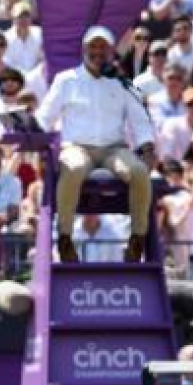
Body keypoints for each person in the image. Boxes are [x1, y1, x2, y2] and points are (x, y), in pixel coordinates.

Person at [36, 26, 156, 263]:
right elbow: (44, 117)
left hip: (115, 148)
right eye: (93, 46)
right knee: (72, 168)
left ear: (111, 51)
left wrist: (146, 147)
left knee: (140, 172)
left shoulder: (122, 82)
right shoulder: (66, 80)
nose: (97, 51)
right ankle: (65, 239)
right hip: (77, 147)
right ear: (84, 49)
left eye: (102, 46)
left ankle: (137, 240)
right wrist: (30, 129)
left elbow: (140, 119)